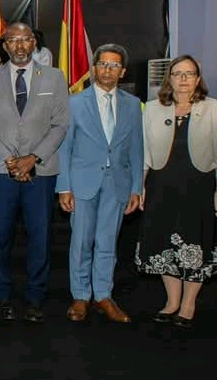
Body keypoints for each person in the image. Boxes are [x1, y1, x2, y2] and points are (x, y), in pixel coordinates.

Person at [135, 55, 217, 329]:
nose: (183, 79)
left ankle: (188, 304)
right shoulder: (152, 109)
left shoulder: (215, 108)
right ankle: (171, 302)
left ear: (198, 79)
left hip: (199, 187)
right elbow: (144, 151)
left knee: (195, 241)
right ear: (169, 78)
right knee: (164, 242)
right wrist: (140, 186)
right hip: (161, 186)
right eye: (178, 73)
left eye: (189, 73)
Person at [0, 23, 69, 323]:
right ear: (4, 46)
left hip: (41, 171)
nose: (19, 46)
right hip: (0, 169)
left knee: (39, 237)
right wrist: (9, 160)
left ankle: (35, 298)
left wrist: (33, 158)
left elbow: (60, 124)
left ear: (34, 44)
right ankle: (1, 296)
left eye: (25, 40)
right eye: (13, 41)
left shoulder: (55, 77)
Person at [57, 44, 144, 323]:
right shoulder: (74, 103)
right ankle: (81, 296)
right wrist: (64, 186)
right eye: (103, 64)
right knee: (81, 242)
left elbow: (136, 149)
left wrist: (136, 188)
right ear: (94, 68)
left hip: (117, 184)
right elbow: (65, 148)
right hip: (82, 183)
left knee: (107, 242)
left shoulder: (133, 105)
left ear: (123, 72)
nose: (107, 70)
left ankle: (103, 295)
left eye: (114, 65)